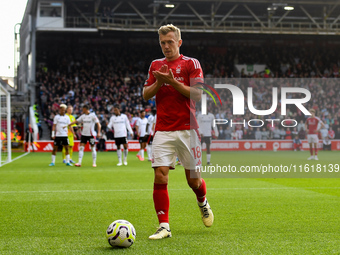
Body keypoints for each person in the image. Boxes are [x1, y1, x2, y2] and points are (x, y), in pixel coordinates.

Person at [143, 24, 213, 240]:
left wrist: (172, 82)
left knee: (193, 181)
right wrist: (160, 82)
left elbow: (198, 95)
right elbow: (146, 94)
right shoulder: (156, 65)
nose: (166, 46)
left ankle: (202, 201)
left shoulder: (191, 63)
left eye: (170, 42)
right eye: (162, 43)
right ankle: (164, 226)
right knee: (160, 175)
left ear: (179, 42)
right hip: (163, 129)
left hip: (188, 130)